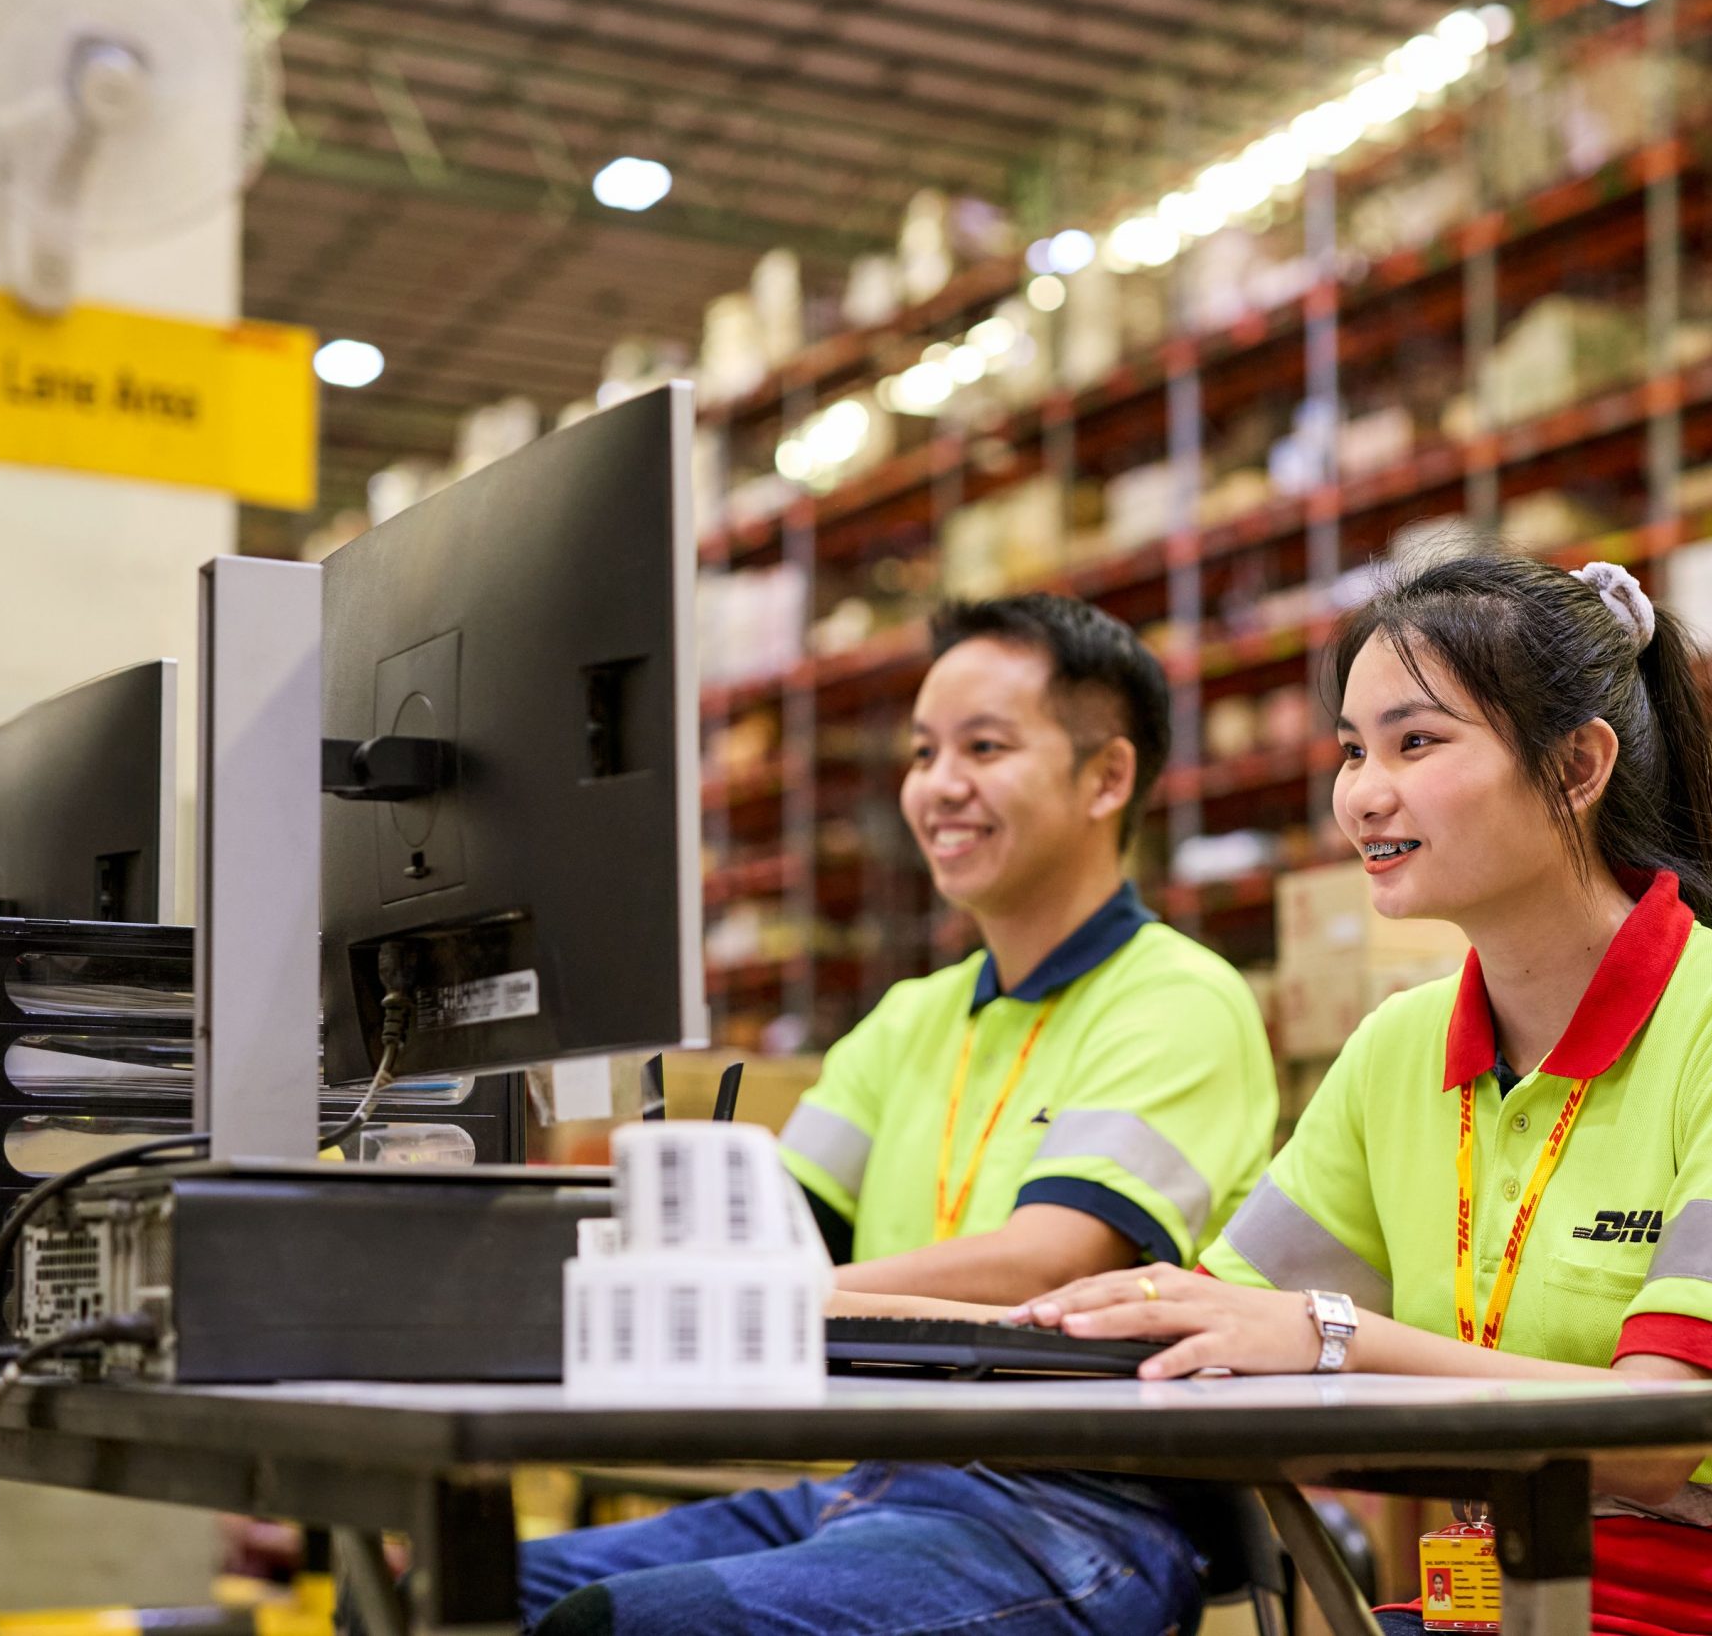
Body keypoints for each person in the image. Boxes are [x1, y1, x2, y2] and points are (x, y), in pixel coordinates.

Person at [1015, 552, 1712, 1636]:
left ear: (1577, 766)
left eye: (1416, 742)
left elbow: (1662, 1429)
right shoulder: (1397, 1048)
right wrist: (906, 1320)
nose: (1362, 793)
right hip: (1495, 1598)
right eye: (1353, 749)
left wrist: (1334, 1336)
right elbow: (1224, 1325)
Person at [521, 592, 1278, 1636]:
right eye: (924, 752)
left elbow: (1051, 1262)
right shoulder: (912, 1018)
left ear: (1107, 777)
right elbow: (768, 1226)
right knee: (470, 1589)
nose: (938, 785)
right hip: (879, 1481)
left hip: (1077, 1509)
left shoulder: (1178, 999)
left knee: (622, 1625)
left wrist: (764, 1294)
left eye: (984, 747)